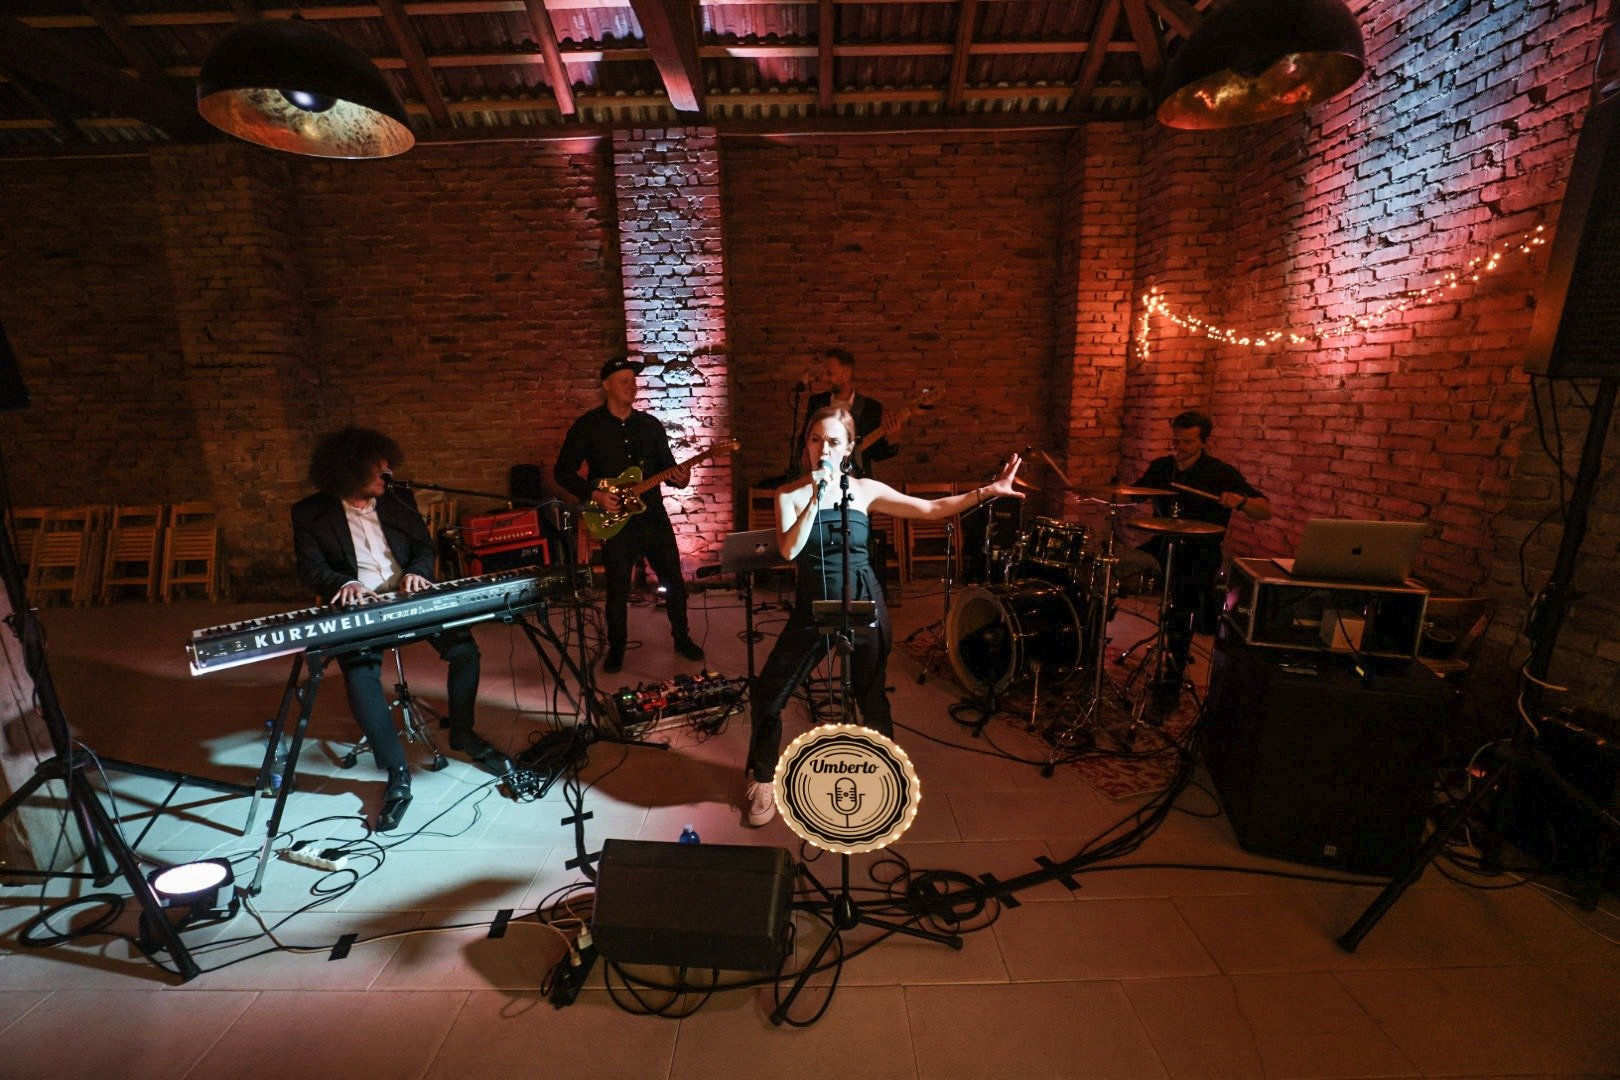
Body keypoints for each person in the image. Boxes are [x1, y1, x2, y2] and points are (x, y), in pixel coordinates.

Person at [744, 405, 1023, 826]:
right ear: (806, 445)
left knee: (870, 694)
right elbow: (788, 550)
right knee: (769, 693)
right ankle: (763, 778)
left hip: (862, 598)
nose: (823, 448)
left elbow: (931, 510)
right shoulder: (789, 493)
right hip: (812, 606)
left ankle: (884, 775)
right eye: (815, 440)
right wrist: (816, 496)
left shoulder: (866, 490)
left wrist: (988, 491)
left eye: (833, 441)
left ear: (849, 448)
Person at [292, 427, 500, 833]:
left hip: (409, 596)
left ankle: (462, 732)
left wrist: (419, 572)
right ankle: (397, 770)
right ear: (348, 472)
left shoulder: (398, 499)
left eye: (387, 468)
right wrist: (345, 583)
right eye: (378, 471)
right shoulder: (310, 512)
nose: (388, 476)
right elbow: (310, 569)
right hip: (361, 605)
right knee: (359, 673)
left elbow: (424, 547)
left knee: (464, 649)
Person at [553, 356, 705, 675]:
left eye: (634, 381)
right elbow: (563, 471)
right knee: (617, 589)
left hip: (653, 516)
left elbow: (668, 468)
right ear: (606, 386)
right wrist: (595, 495)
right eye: (624, 381)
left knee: (674, 582)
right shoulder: (588, 426)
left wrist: (681, 478)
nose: (632, 386)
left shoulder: (650, 425)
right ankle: (617, 649)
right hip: (615, 521)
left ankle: (682, 638)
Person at [1133, 410, 1272, 707]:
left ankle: (1171, 681)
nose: (1179, 447)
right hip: (1162, 543)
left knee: (1182, 609)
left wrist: (1241, 501)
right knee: (1112, 569)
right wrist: (1103, 494)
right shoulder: (1161, 467)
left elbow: (1265, 509)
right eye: (1176, 440)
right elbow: (1133, 494)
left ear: (1203, 441)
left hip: (1200, 550)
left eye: (1187, 441)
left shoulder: (1220, 473)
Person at [798, 347, 903, 479]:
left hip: (858, 480)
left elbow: (876, 454)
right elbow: (804, 441)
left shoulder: (870, 408)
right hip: (821, 478)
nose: (824, 378)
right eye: (824, 373)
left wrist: (893, 439)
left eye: (829, 373)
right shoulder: (817, 402)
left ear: (847, 374)